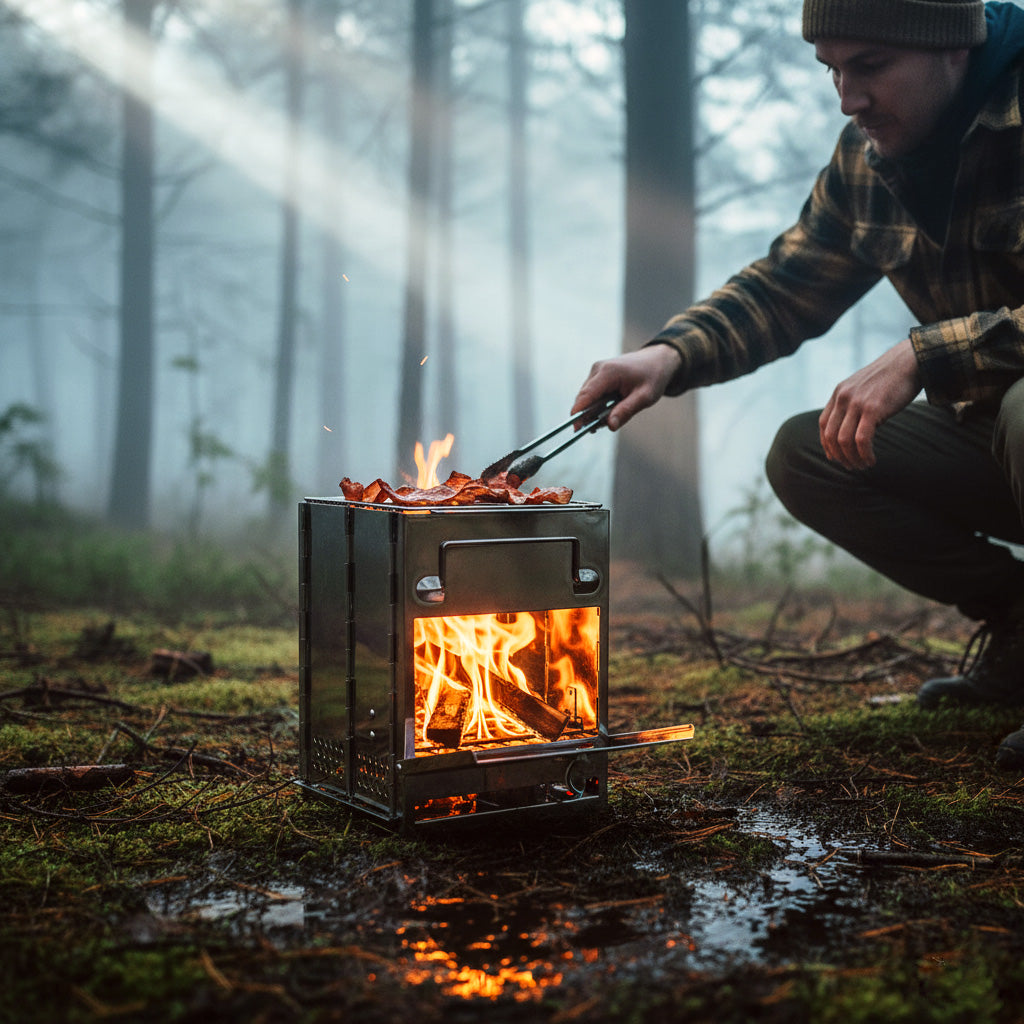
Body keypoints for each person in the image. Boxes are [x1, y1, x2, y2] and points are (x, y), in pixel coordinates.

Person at [571, 0, 1024, 768]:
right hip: (995, 442)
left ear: (953, 47)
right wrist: (669, 356)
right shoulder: (868, 159)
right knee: (810, 453)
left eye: (870, 67)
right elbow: (786, 286)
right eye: (833, 71)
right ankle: (1019, 625)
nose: (848, 98)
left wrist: (924, 355)